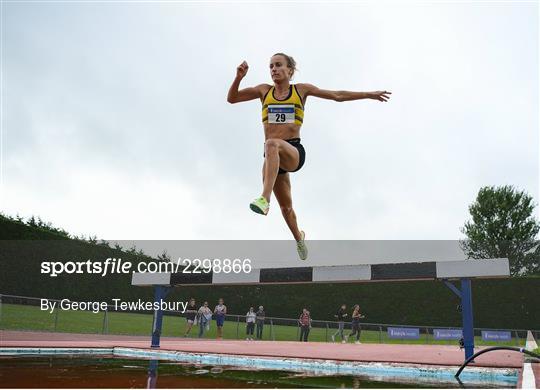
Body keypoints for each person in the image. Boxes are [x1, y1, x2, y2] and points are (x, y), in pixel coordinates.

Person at [227, 53, 391, 260]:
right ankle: (299, 238)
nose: (274, 69)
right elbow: (232, 99)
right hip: (272, 159)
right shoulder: (263, 91)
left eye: (278, 65)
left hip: (292, 152)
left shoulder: (300, 90)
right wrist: (239, 77)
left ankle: (264, 198)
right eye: (270, 66)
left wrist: (368, 94)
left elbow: (337, 95)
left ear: (290, 70)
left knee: (271, 143)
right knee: (286, 209)